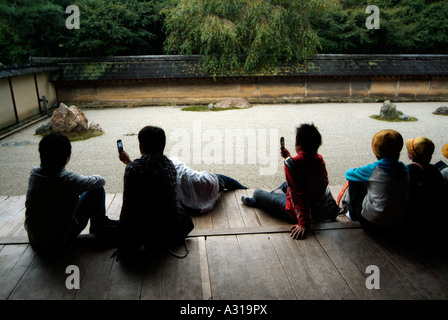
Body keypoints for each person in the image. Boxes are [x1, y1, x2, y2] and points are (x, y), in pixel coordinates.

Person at [25, 132, 117, 253]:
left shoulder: (34, 173)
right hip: (59, 241)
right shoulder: (69, 180)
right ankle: (99, 228)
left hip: (35, 240)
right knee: (97, 190)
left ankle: (100, 225)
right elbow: (100, 180)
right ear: (67, 157)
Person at [241, 123, 337, 240]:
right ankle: (271, 197)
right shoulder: (319, 159)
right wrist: (288, 158)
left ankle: (258, 202)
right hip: (317, 204)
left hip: (297, 211)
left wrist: (303, 223)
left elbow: (298, 195)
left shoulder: (293, 164)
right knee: (286, 184)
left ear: (299, 145)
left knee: (258, 193)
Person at [117, 126, 193, 258]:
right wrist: (128, 162)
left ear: (141, 147)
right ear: (162, 146)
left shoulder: (133, 169)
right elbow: (152, 173)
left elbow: (128, 210)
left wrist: (123, 244)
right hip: (172, 230)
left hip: (148, 234)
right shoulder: (169, 164)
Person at [344, 129, 409, 235]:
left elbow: (349, 174)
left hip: (372, 223)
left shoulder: (373, 169)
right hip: (398, 222)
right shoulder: (405, 169)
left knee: (356, 181)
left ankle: (352, 214)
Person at [171, 157, 248, 215]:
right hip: (204, 184)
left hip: (189, 206)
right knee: (226, 180)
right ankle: (247, 191)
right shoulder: (173, 160)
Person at [405, 137, 448, 229]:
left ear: (412, 155)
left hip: (412, 216)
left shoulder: (407, 170)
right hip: (432, 215)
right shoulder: (435, 170)